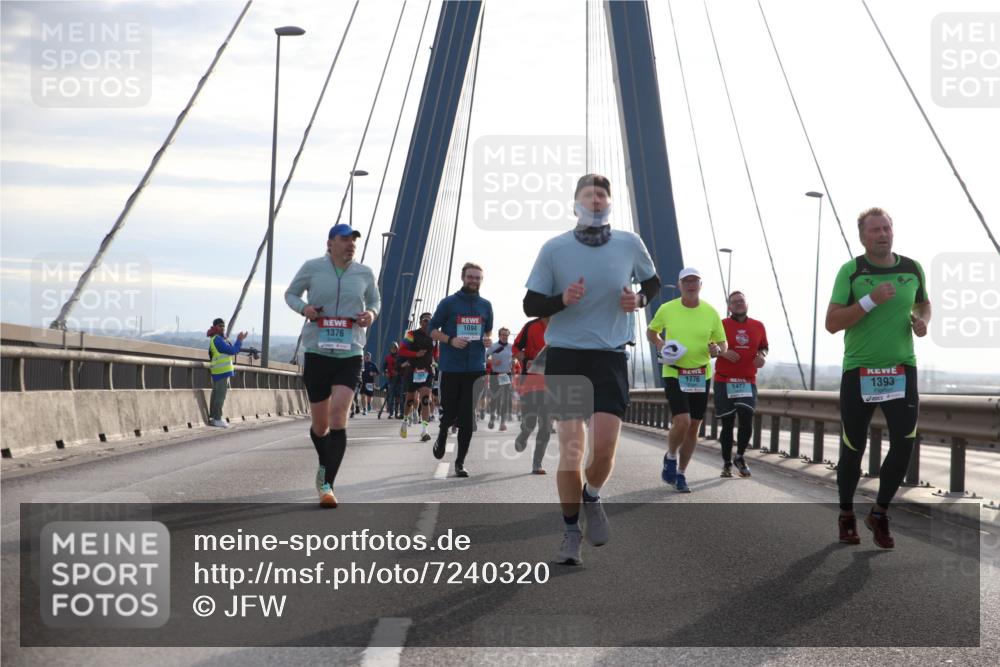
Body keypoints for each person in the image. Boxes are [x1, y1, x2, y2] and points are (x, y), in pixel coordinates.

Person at [524, 173, 659, 565]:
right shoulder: (555, 248)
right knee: (571, 451)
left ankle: (593, 495)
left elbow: (653, 284)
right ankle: (570, 530)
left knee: (603, 448)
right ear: (576, 202)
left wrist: (639, 299)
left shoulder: (630, 244)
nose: (596, 199)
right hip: (567, 357)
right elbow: (531, 305)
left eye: (602, 194)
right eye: (589, 194)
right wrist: (561, 299)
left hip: (611, 356)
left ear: (610, 202)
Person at [826, 207, 930, 549]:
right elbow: (832, 322)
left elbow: (923, 304)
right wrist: (870, 300)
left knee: (905, 442)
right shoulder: (852, 272)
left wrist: (920, 321)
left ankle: (880, 513)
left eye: (886, 228)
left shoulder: (912, 268)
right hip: (860, 370)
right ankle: (845, 515)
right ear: (863, 237)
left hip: (901, 368)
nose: (883, 234)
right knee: (853, 447)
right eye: (875, 230)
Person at [285, 223, 380, 508]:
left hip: (350, 352)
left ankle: (327, 484)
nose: (351, 244)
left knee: (339, 417)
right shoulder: (312, 267)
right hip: (317, 351)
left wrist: (371, 314)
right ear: (330, 243)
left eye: (354, 240)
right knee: (320, 425)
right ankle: (324, 463)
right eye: (345, 239)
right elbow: (291, 294)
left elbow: (375, 300)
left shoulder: (365, 272)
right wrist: (305, 309)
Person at [646, 267, 726, 493]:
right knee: (681, 421)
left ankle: (680, 473)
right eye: (686, 281)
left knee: (693, 427)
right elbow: (651, 332)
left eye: (695, 281)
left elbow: (722, 344)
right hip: (674, 371)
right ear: (679, 285)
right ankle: (670, 457)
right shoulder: (667, 309)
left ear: (701, 285)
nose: (691, 285)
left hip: (701, 374)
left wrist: (716, 349)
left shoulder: (711, 312)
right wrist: (661, 344)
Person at [428, 262, 493, 477]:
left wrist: (487, 340)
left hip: (475, 368)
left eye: (477, 278)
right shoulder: (448, 303)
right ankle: (442, 433)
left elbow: (488, 330)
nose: (474, 281)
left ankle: (460, 463)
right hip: (451, 367)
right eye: (470, 277)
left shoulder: (486, 305)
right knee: (449, 412)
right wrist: (450, 340)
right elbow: (431, 329)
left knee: (467, 417)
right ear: (463, 277)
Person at [714, 291, 769, 477]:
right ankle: (727, 463)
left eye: (741, 301)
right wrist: (722, 353)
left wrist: (762, 356)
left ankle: (740, 456)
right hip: (724, 380)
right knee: (728, 424)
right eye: (734, 302)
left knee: (747, 417)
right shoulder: (721, 325)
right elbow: (710, 346)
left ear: (747, 304)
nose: (738, 304)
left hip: (747, 381)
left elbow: (763, 346)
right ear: (729, 306)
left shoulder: (758, 325)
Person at [512, 316, 551, 474]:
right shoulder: (530, 326)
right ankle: (524, 434)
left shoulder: (564, 326)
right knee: (530, 422)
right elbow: (515, 349)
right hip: (530, 382)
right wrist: (527, 359)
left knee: (546, 426)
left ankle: (537, 463)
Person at [398, 312, 438, 441]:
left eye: (429, 321)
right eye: (425, 320)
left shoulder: (434, 336)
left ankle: (425, 431)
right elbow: (402, 350)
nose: (427, 323)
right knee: (410, 400)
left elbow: (436, 353)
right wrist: (416, 354)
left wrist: (435, 361)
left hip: (427, 371)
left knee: (426, 399)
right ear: (420, 322)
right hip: (413, 370)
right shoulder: (411, 334)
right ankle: (404, 422)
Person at [206, 317, 247, 428]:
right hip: (221, 372)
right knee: (220, 396)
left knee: (216, 395)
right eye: (220, 326)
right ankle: (217, 418)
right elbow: (232, 351)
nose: (223, 328)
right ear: (215, 327)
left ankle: (214, 417)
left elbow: (231, 350)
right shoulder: (217, 340)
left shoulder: (219, 338)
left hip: (219, 372)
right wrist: (239, 340)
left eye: (223, 326)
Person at [486, 327, 515, 431]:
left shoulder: (511, 347)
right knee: (494, 398)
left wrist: (513, 368)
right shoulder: (493, 346)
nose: (505, 337)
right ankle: (492, 417)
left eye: (506, 335)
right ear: (499, 335)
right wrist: (493, 362)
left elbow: (514, 358)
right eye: (503, 335)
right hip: (495, 374)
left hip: (506, 375)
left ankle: (502, 422)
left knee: (506, 399)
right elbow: (484, 357)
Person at [377, 342, 401, 419]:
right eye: (392, 348)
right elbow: (384, 367)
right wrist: (385, 373)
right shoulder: (387, 358)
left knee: (398, 397)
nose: (393, 349)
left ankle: (397, 413)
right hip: (391, 379)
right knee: (390, 397)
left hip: (399, 379)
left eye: (395, 348)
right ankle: (391, 413)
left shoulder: (400, 357)